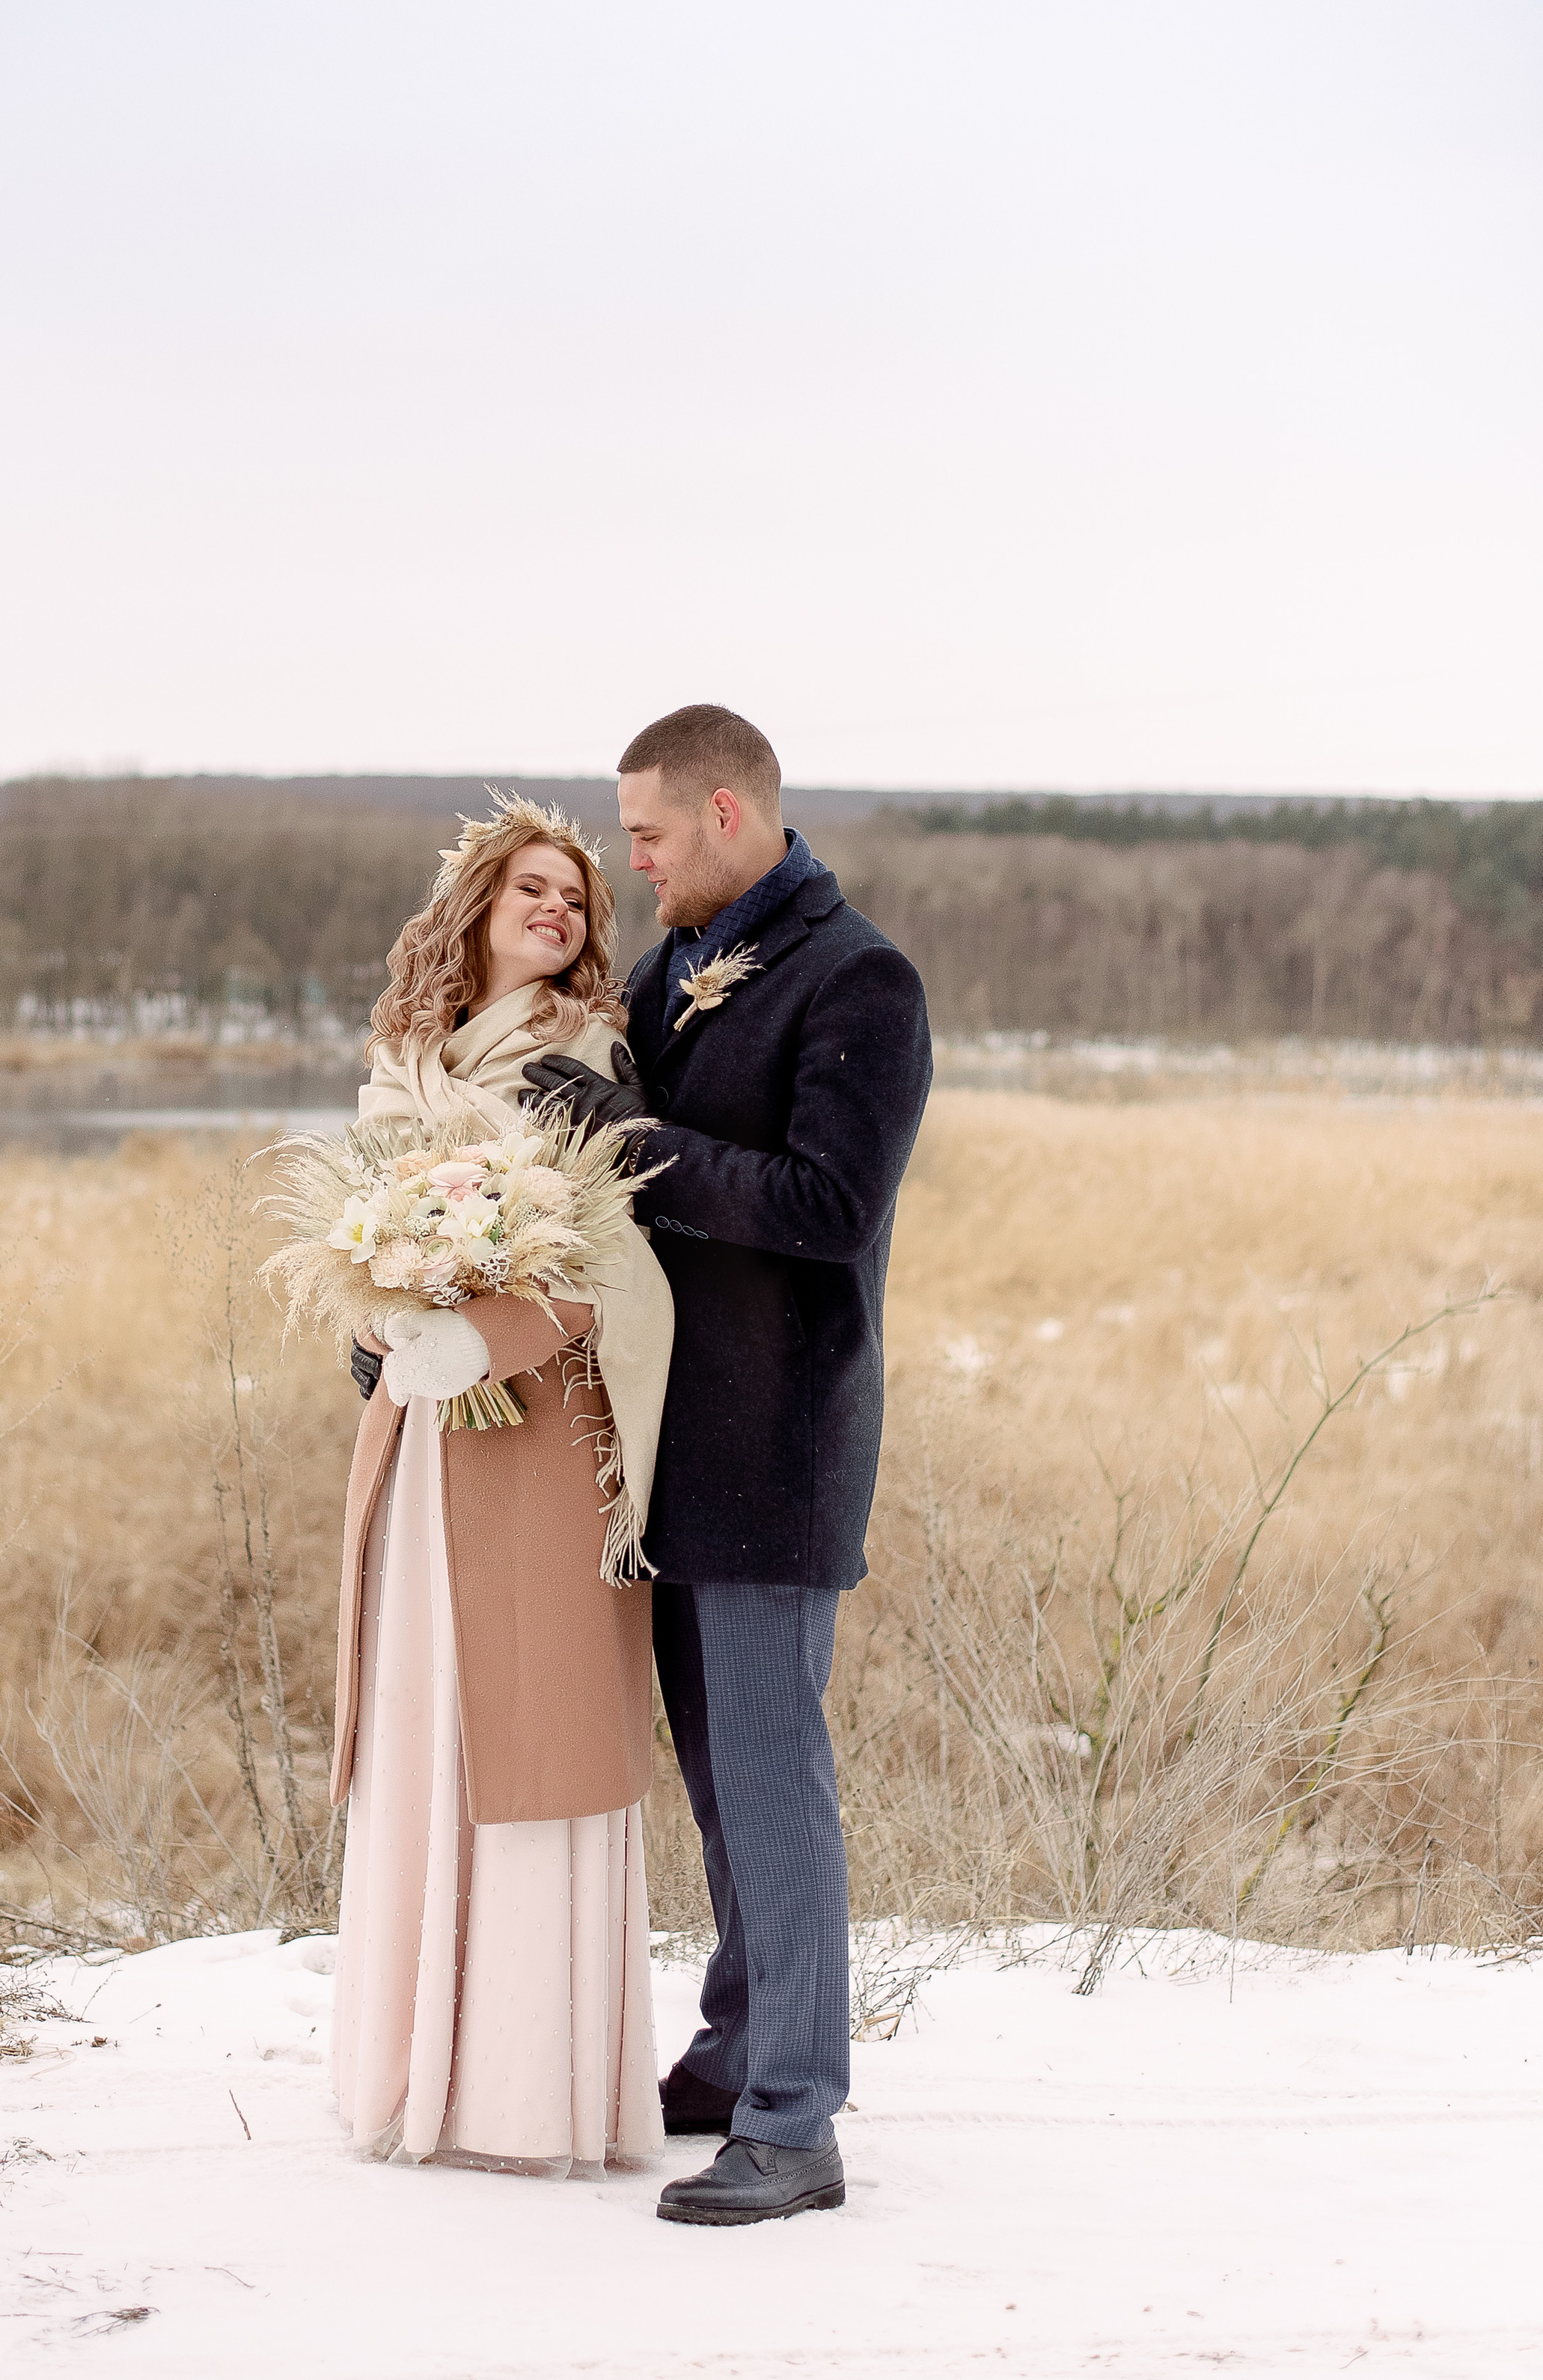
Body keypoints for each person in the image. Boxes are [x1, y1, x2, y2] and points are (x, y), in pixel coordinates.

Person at [523, 704, 932, 2227]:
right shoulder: (668, 969)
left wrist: (630, 1145)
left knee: (771, 1782)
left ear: (723, 813)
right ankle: (732, 2044)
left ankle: (796, 2118)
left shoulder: (857, 979)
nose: (626, 860)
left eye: (641, 833)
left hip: (780, 1442)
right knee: (713, 1782)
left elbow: (826, 1204)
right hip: (669, 1444)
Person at [329, 795, 675, 2176]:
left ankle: (527, 2091)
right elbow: (353, 1234)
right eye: (531, 886)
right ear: (475, 902)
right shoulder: (402, 1065)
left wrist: (491, 1334)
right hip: (420, 1435)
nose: (558, 910)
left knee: (526, 1737)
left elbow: (614, 1257)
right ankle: (414, 2071)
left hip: (539, 1436)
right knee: (426, 1721)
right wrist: (380, 1327)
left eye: (578, 898)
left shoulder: (590, 1057)